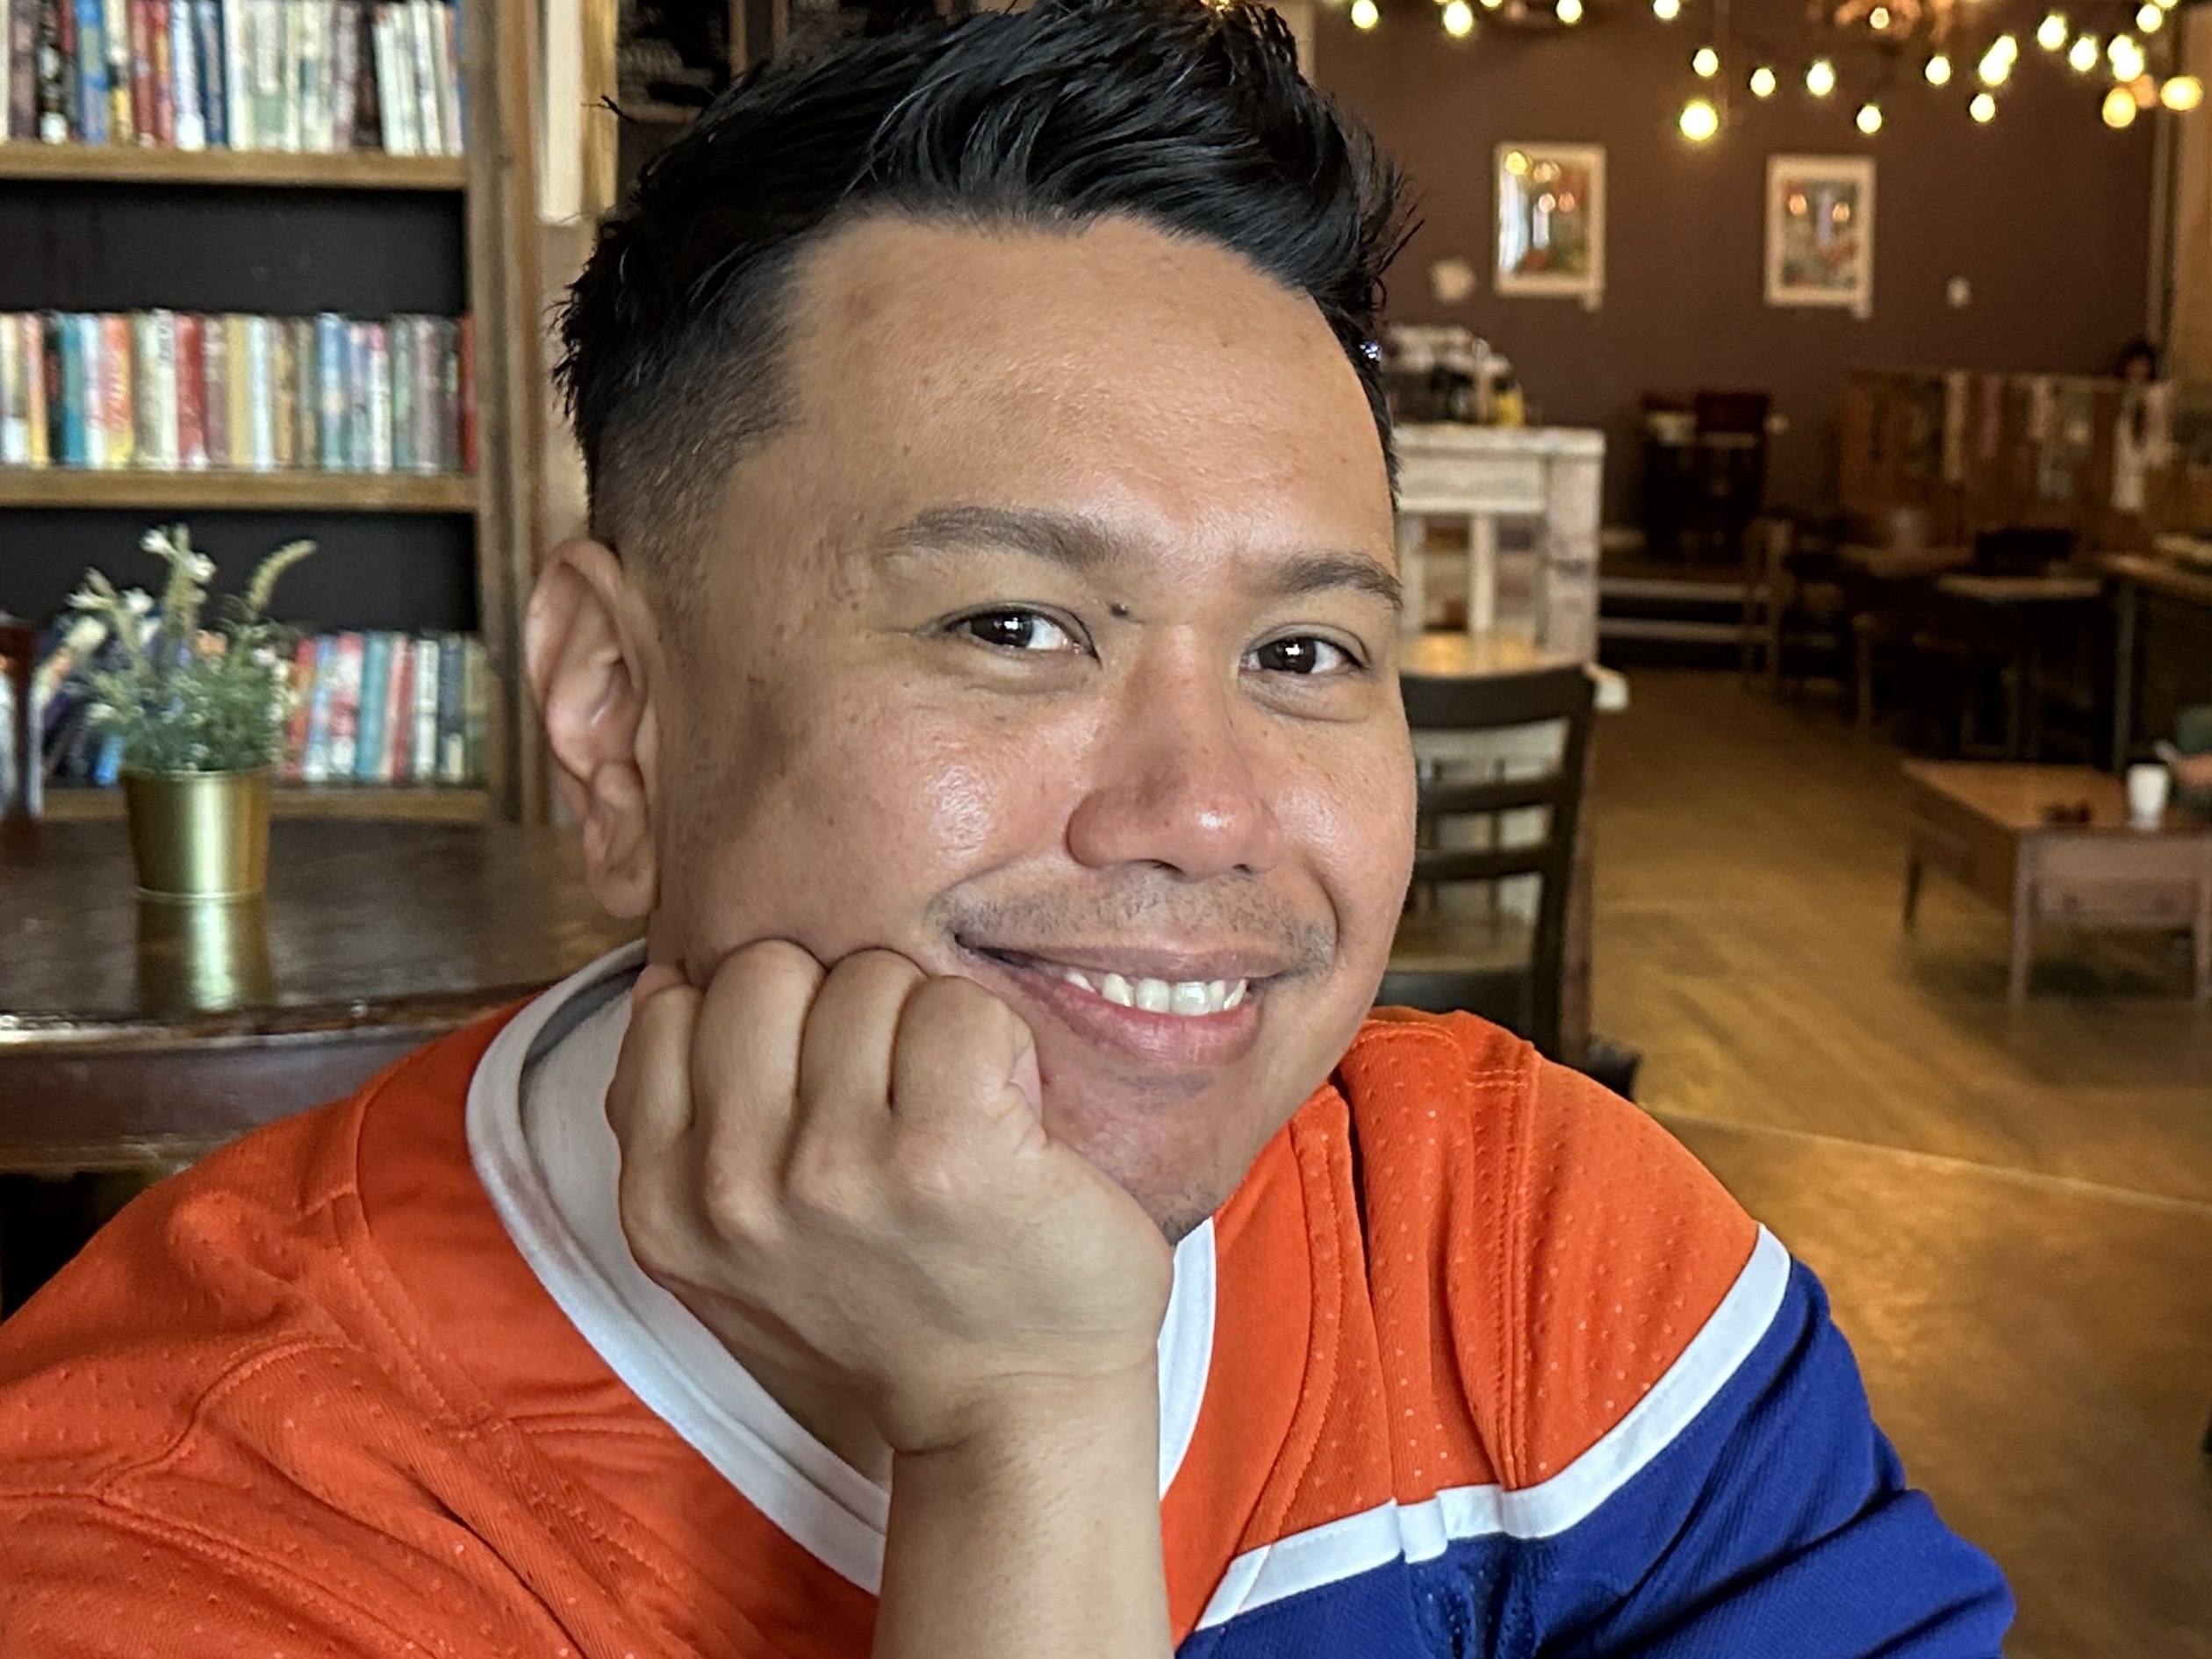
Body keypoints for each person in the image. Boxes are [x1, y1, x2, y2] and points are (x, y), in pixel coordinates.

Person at [0, 3, 2012, 1654]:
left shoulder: (1538, 1255)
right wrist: (1027, 1437)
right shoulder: (175, 1520)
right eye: (1016, 626)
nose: (1210, 810)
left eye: (1309, 651)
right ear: (616, 709)